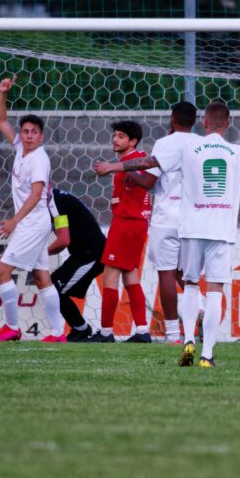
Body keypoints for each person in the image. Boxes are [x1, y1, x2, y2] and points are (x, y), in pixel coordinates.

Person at [94, 102, 240, 368]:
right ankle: (207, 355)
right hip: (220, 231)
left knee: (191, 285)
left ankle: (186, 342)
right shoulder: (238, 153)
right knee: (215, 290)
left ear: (204, 123)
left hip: (191, 229)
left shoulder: (188, 148)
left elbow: (150, 163)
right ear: (228, 123)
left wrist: (112, 167)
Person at [0, 76, 65, 343]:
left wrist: (14, 221)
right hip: (36, 222)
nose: (28, 135)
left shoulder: (39, 159)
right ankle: (57, 333)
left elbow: (37, 194)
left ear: (41, 136)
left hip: (32, 222)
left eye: (34, 132)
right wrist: (3, 93)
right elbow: (0, 121)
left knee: (1, 271)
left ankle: (11, 328)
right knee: (42, 276)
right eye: (25, 131)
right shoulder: (20, 148)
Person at [125, 102, 197, 344]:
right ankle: (204, 308)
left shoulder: (165, 144)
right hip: (193, 219)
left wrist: (126, 170)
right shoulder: (200, 144)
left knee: (167, 274)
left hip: (167, 217)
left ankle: (174, 335)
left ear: (173, 120)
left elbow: (146, 182)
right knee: (187, 275)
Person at [86, 120, 153, 343]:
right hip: (133, 222)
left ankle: (106, 333)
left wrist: (111, 168)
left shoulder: (135, 160)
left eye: (121, 136)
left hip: (127, 222)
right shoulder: (132, 160)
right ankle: (142, 331)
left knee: (109, 276)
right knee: (130, 275)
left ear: (133, 141)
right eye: (115, 135)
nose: (115, 139)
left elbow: (146, 179)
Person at [47, 185, 107, 342]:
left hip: (92, 254)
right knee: (53, 288)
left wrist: (39, 253)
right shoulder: (55, 199)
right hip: (81, 254)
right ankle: (80, 328)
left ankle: (82, 329)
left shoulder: (56, 202)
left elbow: (63, 241)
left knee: (54, 289)